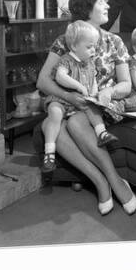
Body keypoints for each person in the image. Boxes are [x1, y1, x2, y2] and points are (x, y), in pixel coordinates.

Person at [37, 0, 136, 216]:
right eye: (101, 0)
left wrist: (109, 92)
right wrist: (68, 97)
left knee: (74, 122)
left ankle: (113, 180)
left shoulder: (115, 42)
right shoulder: (65, 40)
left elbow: (126, 84)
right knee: (49, 125)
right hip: (73, 104)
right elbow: (43, 81)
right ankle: (101, 182)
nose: (107, 5)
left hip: (100, 107)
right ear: (86, 8)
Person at [41, 20, 119, 174]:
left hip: (80, 101)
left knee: (93, 107)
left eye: (94, 47)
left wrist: (94, 93)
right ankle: (49, 152)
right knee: (55, 113)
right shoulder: (66, 60)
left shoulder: (89, 63)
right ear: (75, 46)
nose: (93, 51)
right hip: (61, 99)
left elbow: (94, 81)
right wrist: (79, 86)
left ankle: (101, 133)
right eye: (89, 47)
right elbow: (60, 76)